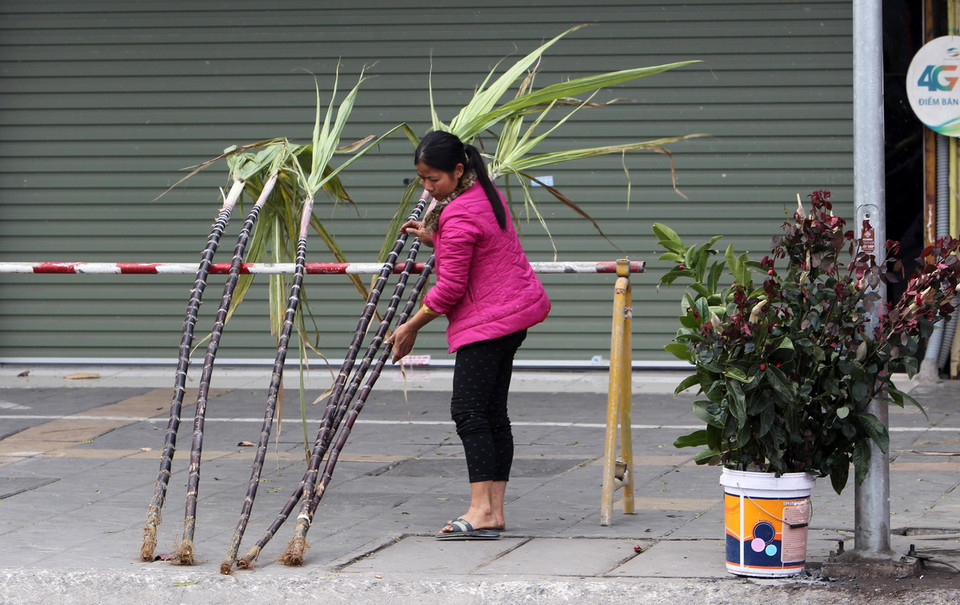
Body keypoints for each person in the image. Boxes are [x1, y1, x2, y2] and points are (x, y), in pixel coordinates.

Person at [386, 130, 551, 540]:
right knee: (493, 414)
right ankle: (493, 512)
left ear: (459, 171)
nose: (427, 188)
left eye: (434, 179)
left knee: (469, 412)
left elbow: (451, 289)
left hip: (488, 322)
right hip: (513, 314)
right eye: (421, 179)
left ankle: (480, 509)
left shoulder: (457, 213)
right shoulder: (484, 194)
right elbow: (478, 243)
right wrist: (434, 236)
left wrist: (409, 327)